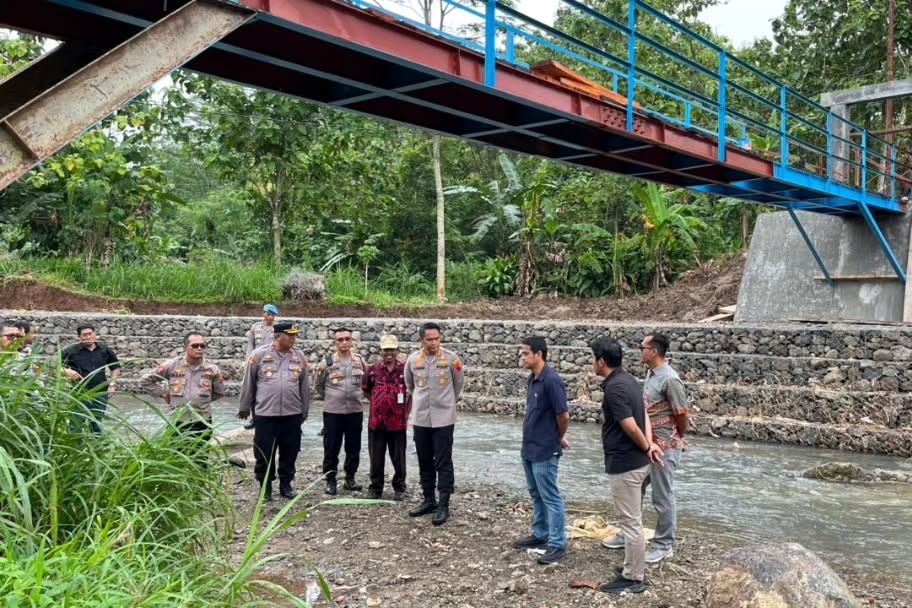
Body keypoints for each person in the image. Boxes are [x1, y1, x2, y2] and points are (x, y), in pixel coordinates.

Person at [591, 336, 663, 595]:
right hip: (637, 460)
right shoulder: (628, 379)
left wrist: (646, 445)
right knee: (633, 518)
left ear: (601, 361)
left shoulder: (615, 388)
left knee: (631, 522)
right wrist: (650, 444)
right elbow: (643, 413)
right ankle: (631, 567)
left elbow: (629, 424)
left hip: (626, 463)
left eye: (593, 358)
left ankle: (634, 577)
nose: (592, 363)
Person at [512, 336, 570, 565]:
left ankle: (557, 544)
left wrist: (558, 437)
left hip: (545, 449)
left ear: (539, 354)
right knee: (536, 493)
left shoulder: (551, 380)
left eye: (526, 353)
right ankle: (540, 533)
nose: (522, 357)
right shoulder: (533, 379)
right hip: (530, 446)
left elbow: (563, 415)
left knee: (550, 496)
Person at [238, 321, 310, 502]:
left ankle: (286, 485)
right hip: (266, 415)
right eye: (290, 336)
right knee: (264, 452)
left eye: (295, 335)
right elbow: (249, 382)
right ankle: (265, 487)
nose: (294, 339)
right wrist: (244, 407)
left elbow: (304, 386)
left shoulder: (299, 356)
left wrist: (305, 410)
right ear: (278, 337)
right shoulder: (259, 355)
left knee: (290, 451)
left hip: (292, 414)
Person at [404, 322, 464, 526]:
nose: (433, 342)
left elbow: (458, 385)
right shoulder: (413, 360)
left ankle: (444, 504)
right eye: (429, 339)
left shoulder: (451, 358)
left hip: (444, 419)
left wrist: (446, 403)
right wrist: (422, 403)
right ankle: (429, 499)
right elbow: (410, 385)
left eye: (436, 338)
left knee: (443, 461)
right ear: (421, 340)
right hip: (421, 418)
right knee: (424, 459)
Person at [639, 332, 688, 563]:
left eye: (643, 348)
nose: (641, 352)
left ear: (654, 351)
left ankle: (664, 544)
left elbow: (681, 413)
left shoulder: (670, 379)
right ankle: (630, 533)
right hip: (649, 444)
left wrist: (676, 436)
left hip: (665, 446)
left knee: (662, 496)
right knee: (635, 486)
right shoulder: (652, 374)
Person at [140, 331, 227, 443]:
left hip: (202, 420)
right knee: (176, 454)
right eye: (195, 346)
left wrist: (201, 401)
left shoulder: (212, 369)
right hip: (178, 419)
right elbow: (146, 380)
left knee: (201, 455)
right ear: (185, 347)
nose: (199, 348)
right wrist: (163, 394)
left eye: (202, 346)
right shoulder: (171, 365)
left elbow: (219, 392)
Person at [315, 327, 367, 496]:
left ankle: (350, 478)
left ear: (352, 341)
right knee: (331, 447)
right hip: (333, 412)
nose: (344, 342)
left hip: (354, 411)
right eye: (340, 340)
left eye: (347, 339)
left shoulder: (359, 361)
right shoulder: (327, 363)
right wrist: (332, 397)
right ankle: (330, 480)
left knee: (354, 447)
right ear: (334, 343)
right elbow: (319, 386)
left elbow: (365, 383)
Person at [361, 334, 410, 501]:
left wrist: (405, 412)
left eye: (392, 349)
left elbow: (411, 393)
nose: (389, 353)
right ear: (381, 351)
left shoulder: (405, 370)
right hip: (377, 422)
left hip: (398, 423)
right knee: (376, 457)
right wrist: (379, 402)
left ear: (397, 351)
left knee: (399, 458)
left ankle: (400, 487)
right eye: (386, 350)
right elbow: (366, 389)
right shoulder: (373, 370)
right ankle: (375, 488)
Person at [61, 324, 121, 433]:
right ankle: (75, 446)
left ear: (95, 334)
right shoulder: (70, 351)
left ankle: (97, 446)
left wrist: (112, 384)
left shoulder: (104, 349)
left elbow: (115, 367)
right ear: (79, 337)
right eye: (84, 335)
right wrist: (66, 371)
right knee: (76, 422)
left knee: (96, 422)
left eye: (90, 334)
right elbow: (53, 366)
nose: (88, 337)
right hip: (79, 393)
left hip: (100, 393)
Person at [243, 304, 279, 430]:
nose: (269, 317)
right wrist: (248, 361)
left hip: (272, 364)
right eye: (267, 314)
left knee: (269, 390)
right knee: (253, 390)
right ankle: (255, 419)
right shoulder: (256, 327)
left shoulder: (278, 328)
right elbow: (250, 346)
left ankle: (271, 416)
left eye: (272, 315)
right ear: (263, 313)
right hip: (256, 363)